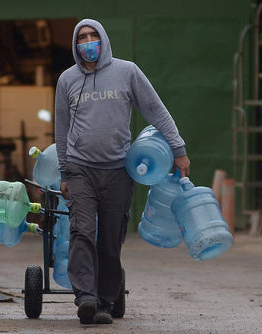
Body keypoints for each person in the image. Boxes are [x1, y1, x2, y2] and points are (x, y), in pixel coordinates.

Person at [54, 18, 191, 325]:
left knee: (110, 238)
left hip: (118, 169)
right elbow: (61, 129)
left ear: (103, 39)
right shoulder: (67, 80)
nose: (88, 42)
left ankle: (104, 302)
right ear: (75, 45)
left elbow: (156, 110)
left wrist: (178, 149)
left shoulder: (126, 72)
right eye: (82, 38)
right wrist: (64, 172)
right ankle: (85, 298)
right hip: (81, 169)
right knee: (82, 230)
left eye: (93, 36)